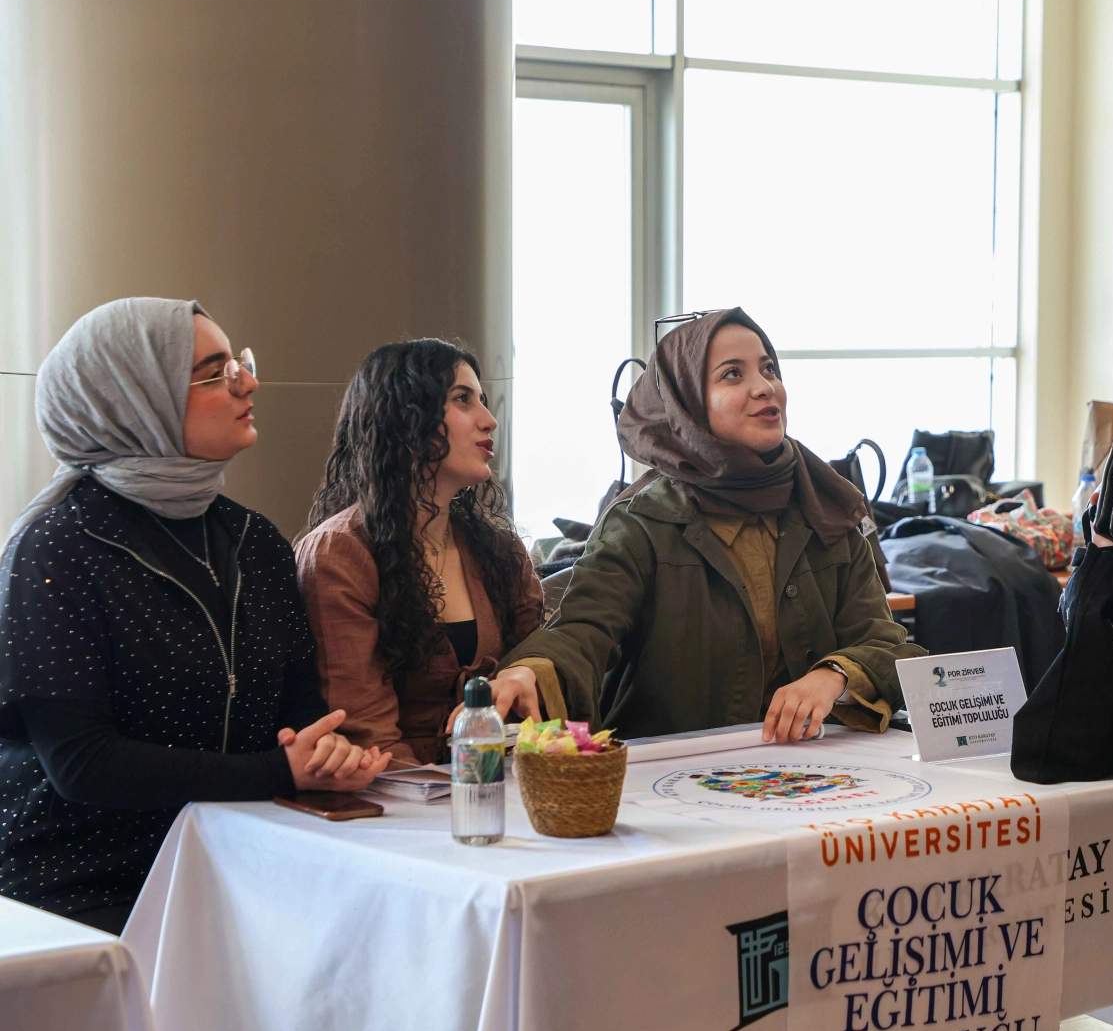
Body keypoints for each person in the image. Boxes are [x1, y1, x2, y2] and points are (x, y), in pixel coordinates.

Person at [0, 298, 388, 934]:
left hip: (244, 862)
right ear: (133, 399)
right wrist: (277, 771)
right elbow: (82, 764)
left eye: (240, 363)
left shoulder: (254, 542)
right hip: (88, 886)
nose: (247, 383)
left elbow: (301, 717)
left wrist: (330, 754)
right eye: (214, 373)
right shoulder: (57, 548)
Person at [500, 308, 923, 741]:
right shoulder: (639, 524)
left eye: (769, 369)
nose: (764, 387)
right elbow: (582, 632)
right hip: (672, 773)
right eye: (732, 374)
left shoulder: (826, 506)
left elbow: (888, 645)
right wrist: (529, 673)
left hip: (818, 770)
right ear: (686, 403)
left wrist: (834, 675)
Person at [297, 340, 547, 767]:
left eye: (483, 401)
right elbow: (368, 739)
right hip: (397, 793)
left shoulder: (497, 548)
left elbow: (537, 674)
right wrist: (459, 796)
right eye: (463, 399)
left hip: (499, 781)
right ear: (405, 418)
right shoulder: (340, 553)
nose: (489, 420)